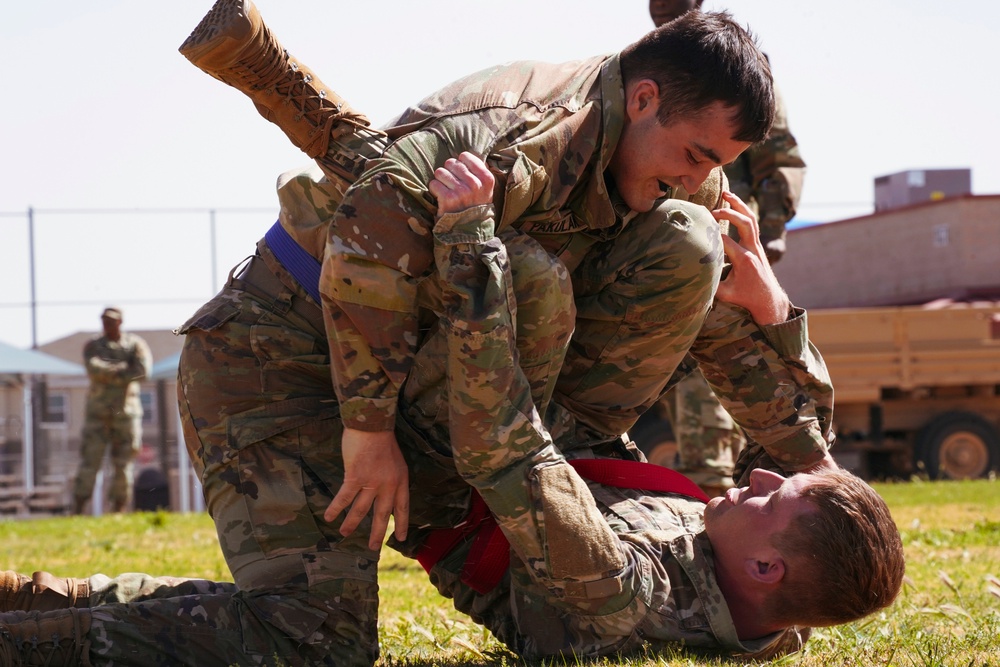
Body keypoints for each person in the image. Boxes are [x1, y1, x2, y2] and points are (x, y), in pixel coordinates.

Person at [0, 1, 887, 664]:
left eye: (715, 165)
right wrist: (370, 427)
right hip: (287, 355)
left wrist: (770, 317)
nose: (702, 178)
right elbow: (366, 252)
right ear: (646, 99)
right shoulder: (516, 141)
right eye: (697, 155)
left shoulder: (651, 170)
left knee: (671, 246)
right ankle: (300, 97)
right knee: (591, 255)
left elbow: (517, 450)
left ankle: (32, 609)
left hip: (476, 407)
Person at [643, 0, 808, 497]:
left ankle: (714, 499)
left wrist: (769, 233)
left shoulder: (742, 77)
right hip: (657, 252)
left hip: (720, 247)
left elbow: (780, 157)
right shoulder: (653, 62)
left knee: (706, 385)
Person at [71, 307, 152, 514]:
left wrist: (109, 373)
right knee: (90, 462)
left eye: (112, 321)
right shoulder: (93, 345)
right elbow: (93, 368)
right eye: (105, 321)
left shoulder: (134, 344)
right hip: (98, 415)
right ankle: (79, 507)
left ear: (120, 322)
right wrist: (123, 370)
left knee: (123, 465)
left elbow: (143, 371)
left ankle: (118, 508)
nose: (107, 324)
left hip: (125, 414)